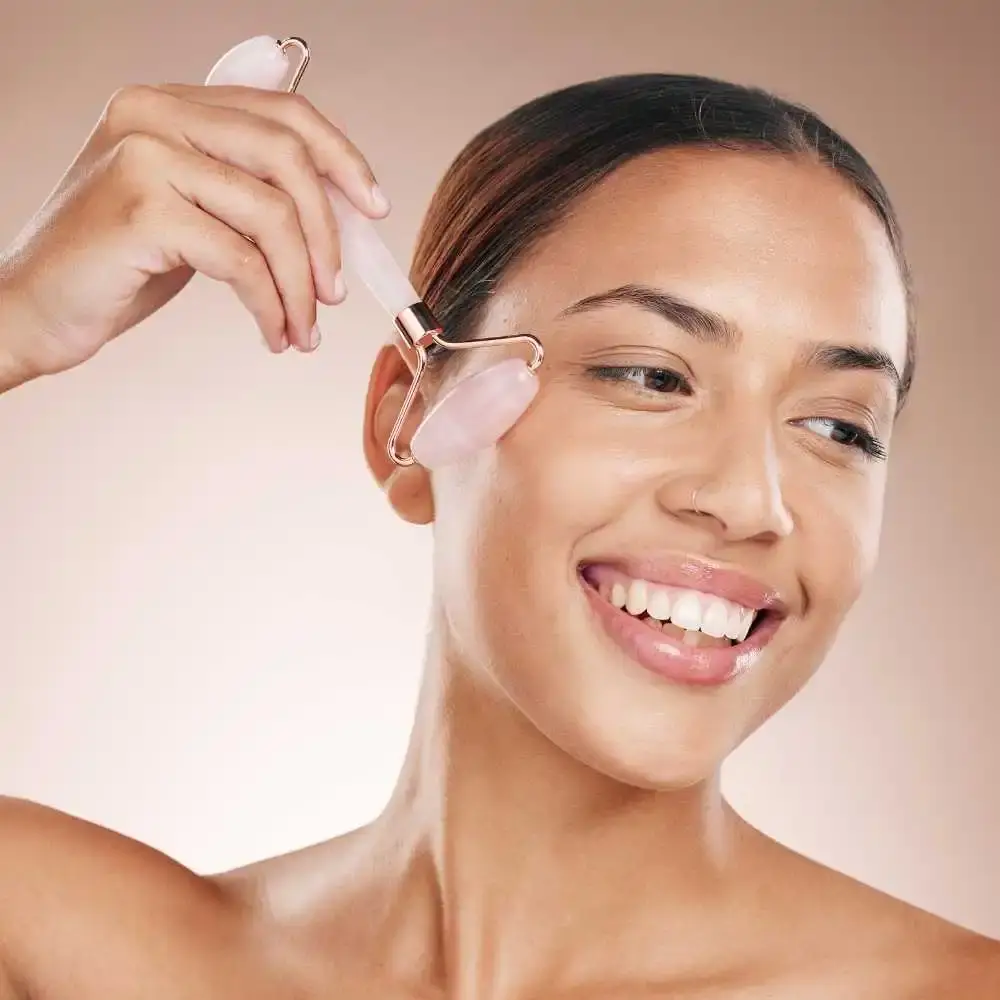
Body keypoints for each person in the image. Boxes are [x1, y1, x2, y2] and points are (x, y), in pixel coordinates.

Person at [0, 67, 997, 1000]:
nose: (750, 500)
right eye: (651, 375)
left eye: (839, 426)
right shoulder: (77, 950)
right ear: (408, 427)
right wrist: (15, 316)